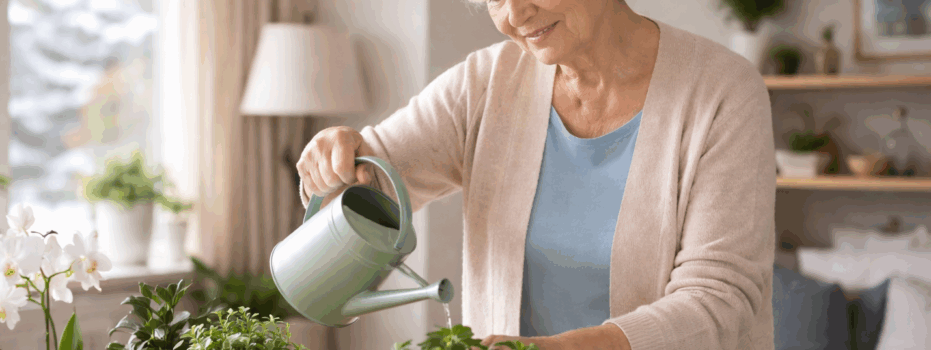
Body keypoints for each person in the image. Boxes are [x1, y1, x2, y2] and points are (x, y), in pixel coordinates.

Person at [296, 0, 775, 349]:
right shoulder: (484, 83)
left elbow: (719, 299)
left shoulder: (722, 91)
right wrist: (332, 158)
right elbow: (368, 179)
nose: (515, 13)